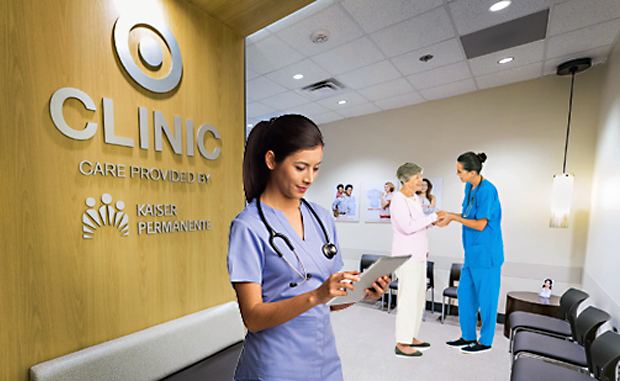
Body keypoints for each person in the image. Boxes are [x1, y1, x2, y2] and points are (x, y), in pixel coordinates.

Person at [227, 114, 390, 381]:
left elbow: (330, 300)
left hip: (323, 362)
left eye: (316, 168)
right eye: (301, 167)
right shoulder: (248, 227)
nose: (310, 178)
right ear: (271, 161)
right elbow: (253, 318)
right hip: (274, 366)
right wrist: (316, 295)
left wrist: (361, 292)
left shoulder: (322, 218)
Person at [437, 152, 503, 354]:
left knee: (487, 300)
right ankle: (467, 336)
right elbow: (467, 215)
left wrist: (454, 219)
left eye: (460, 171)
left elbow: (481, 224)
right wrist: (449, 215)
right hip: (471, 255)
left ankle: (485, 341)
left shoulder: (487, 190)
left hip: (487, 255)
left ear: (472, 172)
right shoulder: (469, 187)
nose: (457, 174)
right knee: (464, 295)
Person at [390, 163, 440, 358]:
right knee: (408, 300)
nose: (421, 181)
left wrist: (432, 222)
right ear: (406, 179)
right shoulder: (398, 200)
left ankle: (411, 336)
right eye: (418, 177)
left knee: (418, 300)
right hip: (406, 259)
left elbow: (419, 226)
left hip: (419, 256)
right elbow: (408, 227)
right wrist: (432, 217)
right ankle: (402, 343)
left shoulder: (414, 199)